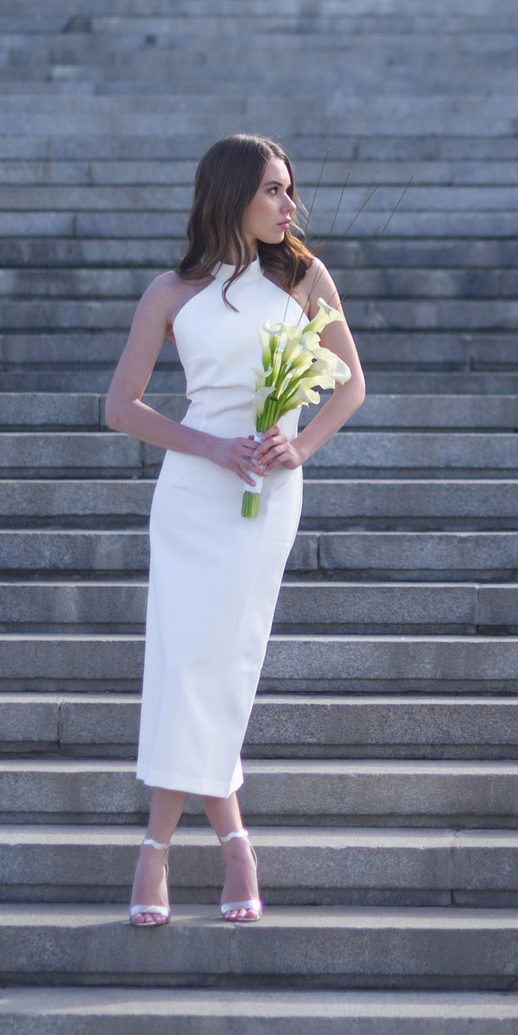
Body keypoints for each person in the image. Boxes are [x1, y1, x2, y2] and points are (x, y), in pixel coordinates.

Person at [102, 134, 366, 924]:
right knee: (186, 663)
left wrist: (300, 445)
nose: (290, 205)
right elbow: (121, 407)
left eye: (291, 189)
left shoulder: (306, 278)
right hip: (192, 495)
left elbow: (350, 384)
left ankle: (155, 852)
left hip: (266, 500)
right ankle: (233, 845)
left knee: (222, 664)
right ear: (232, 196)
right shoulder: (170, 293)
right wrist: (212, 445)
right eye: (274, 191)